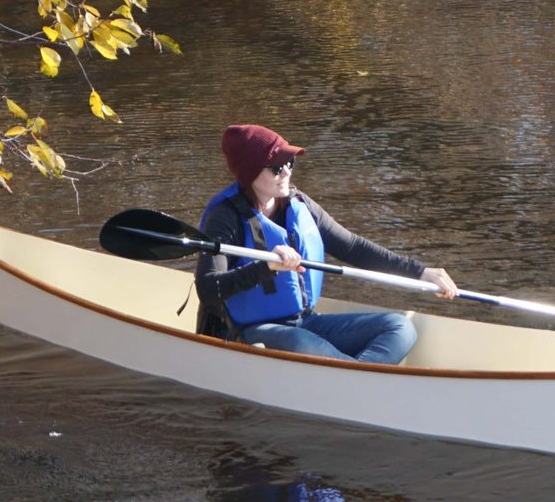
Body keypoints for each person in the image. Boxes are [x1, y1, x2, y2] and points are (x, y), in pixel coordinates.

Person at [194, 124, 457, 363]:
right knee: (301, 342)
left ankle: (354, 375)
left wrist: (420, 271)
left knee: (400, 328)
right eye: (276, 167)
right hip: (252, 330)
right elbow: (207, 288)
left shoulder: (299, 204)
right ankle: (359, 377)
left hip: (305, 322)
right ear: (250, 172)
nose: (286, 171)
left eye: (290, 162)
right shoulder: (225, 218)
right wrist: (267, 267)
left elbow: (353, 247)